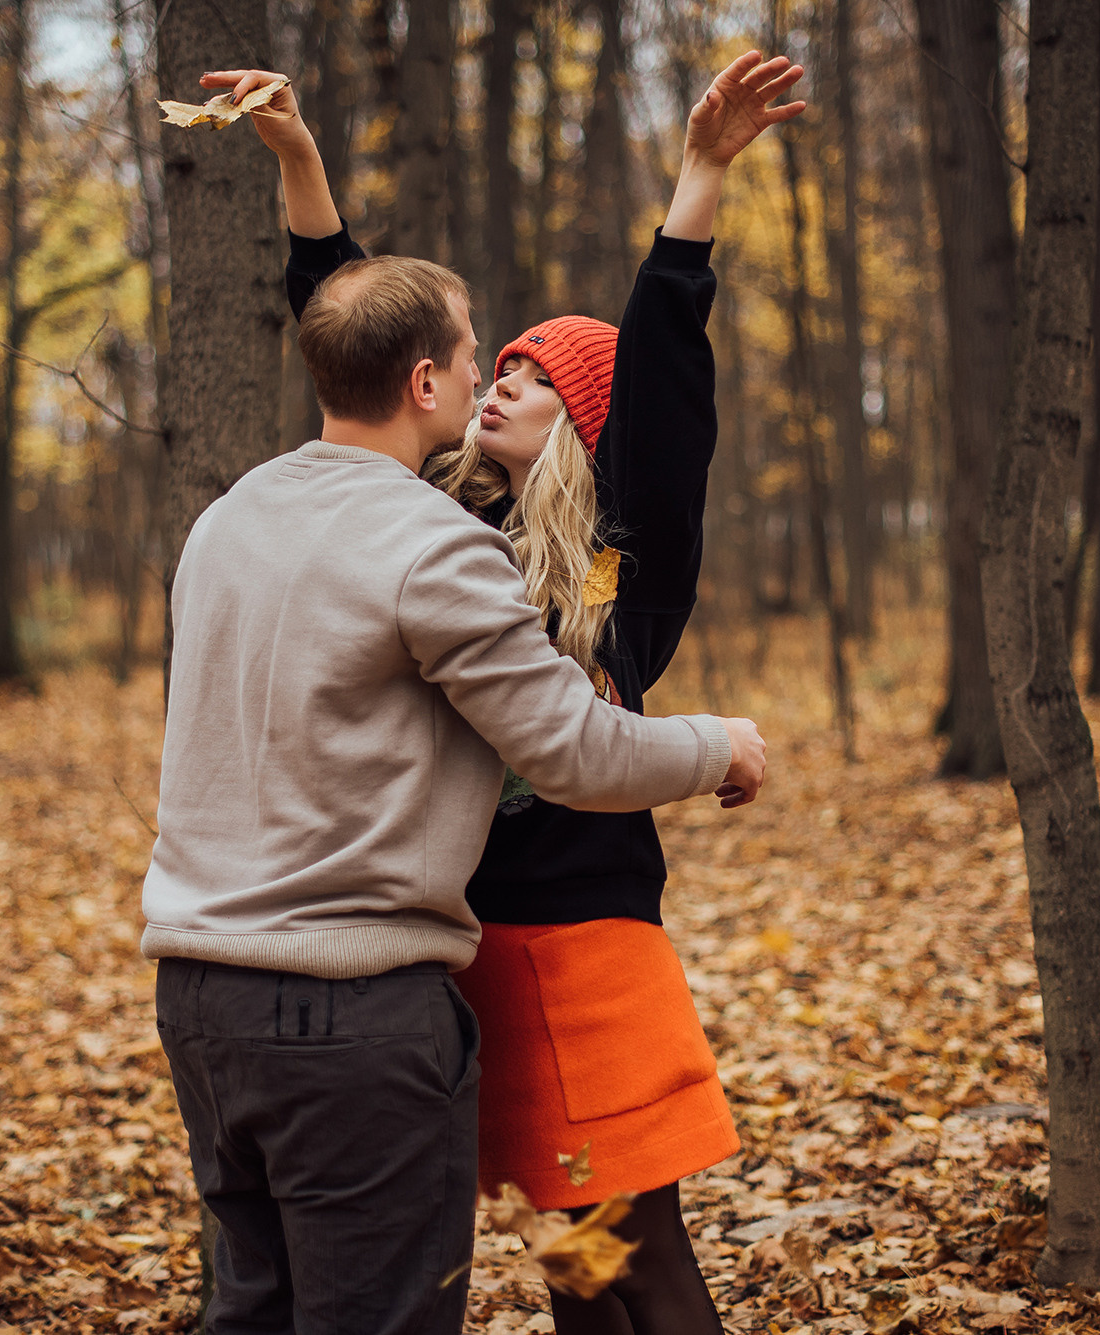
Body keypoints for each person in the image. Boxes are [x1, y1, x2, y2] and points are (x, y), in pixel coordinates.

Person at [138, 104, 771, 1335]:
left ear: (588, 425)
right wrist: (304, 174)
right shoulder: (432, 526)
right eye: (499, 362)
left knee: (625, 1258)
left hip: (575, 946)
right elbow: (365, 343)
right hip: (447, 951)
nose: (502, 384)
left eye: (538, 380)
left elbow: (659, 380)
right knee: (562, 1263)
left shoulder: (616, 553)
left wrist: (696, 186)